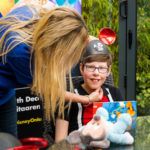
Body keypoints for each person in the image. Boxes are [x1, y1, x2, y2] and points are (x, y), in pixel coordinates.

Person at [0, 2, 102, 137]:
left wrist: (85, 39)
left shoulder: (35, 15)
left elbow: (69, 29)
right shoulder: (21, 53)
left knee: (9, 142)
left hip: (6, 95)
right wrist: (85, 99)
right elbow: (47, 90)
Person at [55, 39, 124, 142]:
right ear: (82, 68)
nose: (96, 73)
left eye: (102, 68)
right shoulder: (68, 97)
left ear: (108, 71)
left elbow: (122, 129)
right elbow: (59, 142)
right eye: (91, 67)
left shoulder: (115, 93)